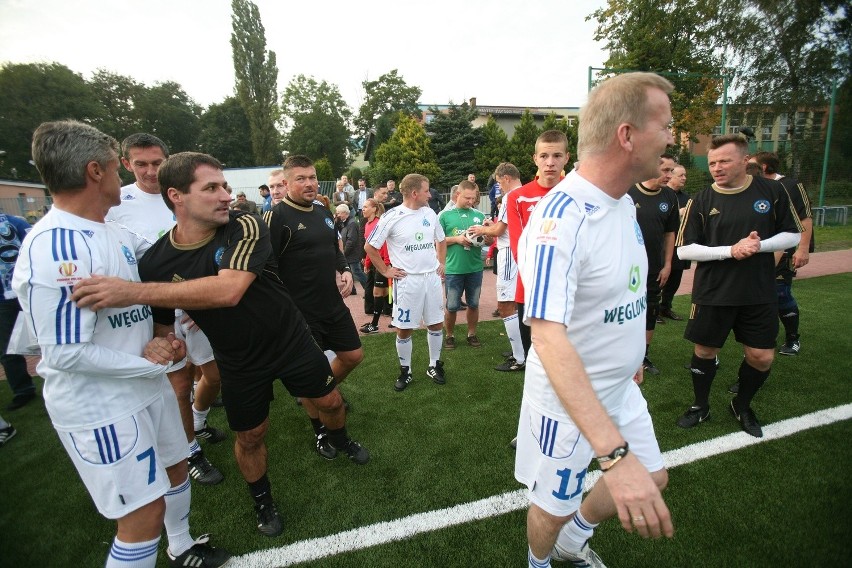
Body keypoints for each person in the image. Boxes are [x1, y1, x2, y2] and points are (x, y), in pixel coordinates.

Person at [71, 151, 369, 539]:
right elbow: (163, 331)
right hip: (238, 358)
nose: (226, 195)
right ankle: (262, 499)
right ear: (176, 195)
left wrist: (130, 292)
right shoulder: (157, 264)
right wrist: (165, 345)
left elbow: (229, 290)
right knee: (251, 435)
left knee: (330, 402)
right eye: (211, 188)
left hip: (290, 339)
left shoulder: (243, 223)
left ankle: (340, 438)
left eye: (224, 185)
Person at [16, 120, 229, 568]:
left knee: (175, 468)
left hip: (143, 385)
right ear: (96, 171)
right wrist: (152, 364)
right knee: (142, 514)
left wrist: (160, 337)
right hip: (102, 405)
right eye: (118, 167)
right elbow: (64, 354)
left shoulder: (108, 230)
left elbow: (148, 291)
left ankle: (183, 546)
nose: (126, 177)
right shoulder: (57, 246)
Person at [515, 72, 675, 568]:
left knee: (654, 475)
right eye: (664, 125)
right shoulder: (558, 219)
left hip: (619, 384)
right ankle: (539, 561)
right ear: (627, 135)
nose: (671, 138)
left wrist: (630, 356)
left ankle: (574, 539)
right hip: (566, 399)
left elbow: (623, 290)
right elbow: (545, 334)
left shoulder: (624, 203)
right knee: (553, 503)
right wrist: (613, 454)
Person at [106, 133, 226, 487]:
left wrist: (197, 295)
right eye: (140, 164)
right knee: (176, 382)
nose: (149, 171)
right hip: (155, 310)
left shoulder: (184, 192)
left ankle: (198, 422)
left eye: (157, 163)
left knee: (214, 374)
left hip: (196, 304)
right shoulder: (116, 202)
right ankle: (188, 451)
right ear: (127, 164)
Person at [675, 134, 802, 438]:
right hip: (713, 292)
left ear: (746, 161)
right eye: (712, 162)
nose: (716, 167)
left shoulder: (772, 191)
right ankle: (700, 405)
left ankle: (742, 405)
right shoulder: (701, 199)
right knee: (705, 350)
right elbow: (684, 249)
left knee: (762, 356)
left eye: (724, 161)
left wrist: (757, 247)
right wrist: (730, 250)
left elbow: (793, 235)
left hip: (758, 291)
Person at [263, 155, 365, 458]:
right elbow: (267, 270)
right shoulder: (276, 218)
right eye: (301, 178)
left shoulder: (322, 210)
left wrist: (345, 268)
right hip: (300, 315)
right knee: (315, 377)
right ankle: (322, 430)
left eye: (312, 177)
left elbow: (333, 247)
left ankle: (319, 393)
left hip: (332, 305)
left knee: (353, 355)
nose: (309, 183)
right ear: (286, 183)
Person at [365, 173, 447, 390]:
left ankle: (434, 365)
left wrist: (441, 262)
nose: (430, 195)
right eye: (427, 191)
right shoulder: (392, 217)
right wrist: (385, 270)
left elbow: (441, 240)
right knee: (404, 328)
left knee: (436, 323)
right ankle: (406, 371)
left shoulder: (430, 212)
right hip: (408, 281)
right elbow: (370, 247)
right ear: (414, 193)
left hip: (432, 279)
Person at [506, 130, 571, 363]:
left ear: (567, 158)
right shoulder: (518, 198)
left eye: (556, 156)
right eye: (544, 156)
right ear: (535, 159)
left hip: (570, 291)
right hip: (531, 290)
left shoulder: (577, 193)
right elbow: (518, 250)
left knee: (568, 360)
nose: (550, 162)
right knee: (536, 359)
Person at [752, 151, 813, 355]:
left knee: (780, 293)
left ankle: (792, 339)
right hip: (757, 252)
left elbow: (805, 218)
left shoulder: (790, 185)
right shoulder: (753, 186)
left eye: (752, 164)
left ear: (764, 168)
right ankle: (760, 339)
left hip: (783, 252)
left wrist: (803, 248)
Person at [469, 162, 525, 371]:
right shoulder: (527, 192)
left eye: (500, 183)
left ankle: (519, 358)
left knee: (505, 305)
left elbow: (500, 230)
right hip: (521, 252)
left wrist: (481, 230)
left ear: (506, 178)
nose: (499, 187)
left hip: (510, 252)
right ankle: (521, 349)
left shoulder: (511, 196)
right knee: (519, 303)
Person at [627, 154, 679, 376]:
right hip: (627, 267)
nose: (670, 175)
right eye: (666, 170)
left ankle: (644, 355)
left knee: (650, 308)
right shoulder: (629, 191)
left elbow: (670, 233)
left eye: (672, 171)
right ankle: (624, 353)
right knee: (625, 308)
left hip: (654, 267)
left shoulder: (669, 196)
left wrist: (667, 264)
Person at [439, 179, 489, 349]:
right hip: (454, 269)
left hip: (475, 268)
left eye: (473, 198)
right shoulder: (445, 216)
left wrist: (487, 236)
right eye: (467, 198)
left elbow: (487, 239)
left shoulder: (480, 216)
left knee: (474, 304)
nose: (470, 201)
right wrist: (457, 239)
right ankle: (450, 335)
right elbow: (437, 241)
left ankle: (472, 334)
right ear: (457, 194)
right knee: (451, 306)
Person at [0, 212, 37, 411]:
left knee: (41, 341)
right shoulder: (16, 222)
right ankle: (23, 389)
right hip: (15, 294)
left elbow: (36, 252)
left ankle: (25, 389)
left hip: (26, 292)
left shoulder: (16, 223)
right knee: (8, 348)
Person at [659, 164, 691, 320]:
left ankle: (666, 307)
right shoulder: (662, 194)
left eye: (685, 175)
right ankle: (653, 307)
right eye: (680, 175)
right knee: (658, 276)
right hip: (663, 246)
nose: (684, 178)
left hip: (681, 244)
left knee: (676, 277)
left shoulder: (687, 198)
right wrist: (679, 213)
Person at [360, 198, 389, 332]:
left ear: (374, 209)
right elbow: (369, 247)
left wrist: (386, 264)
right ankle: (391, 318)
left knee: (378, 292)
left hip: (382, 263)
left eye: (366, 207)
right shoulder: (367, 224)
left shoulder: (379, 224)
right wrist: (367, 263)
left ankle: (375, 324)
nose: (363, 209)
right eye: (363, 207)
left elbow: (384, 246)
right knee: (383, 292)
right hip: (375, 263)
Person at [337, 204, 368, 292]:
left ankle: (369, 289)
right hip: (349, 252)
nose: (338, 215)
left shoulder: (352, 223)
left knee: (357, 272)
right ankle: (352, 290)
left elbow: (351, 240)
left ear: (344, 213)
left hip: (352, 253)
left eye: (339, 213)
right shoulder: (345, 222)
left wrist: (344, 252)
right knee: (351, 271)